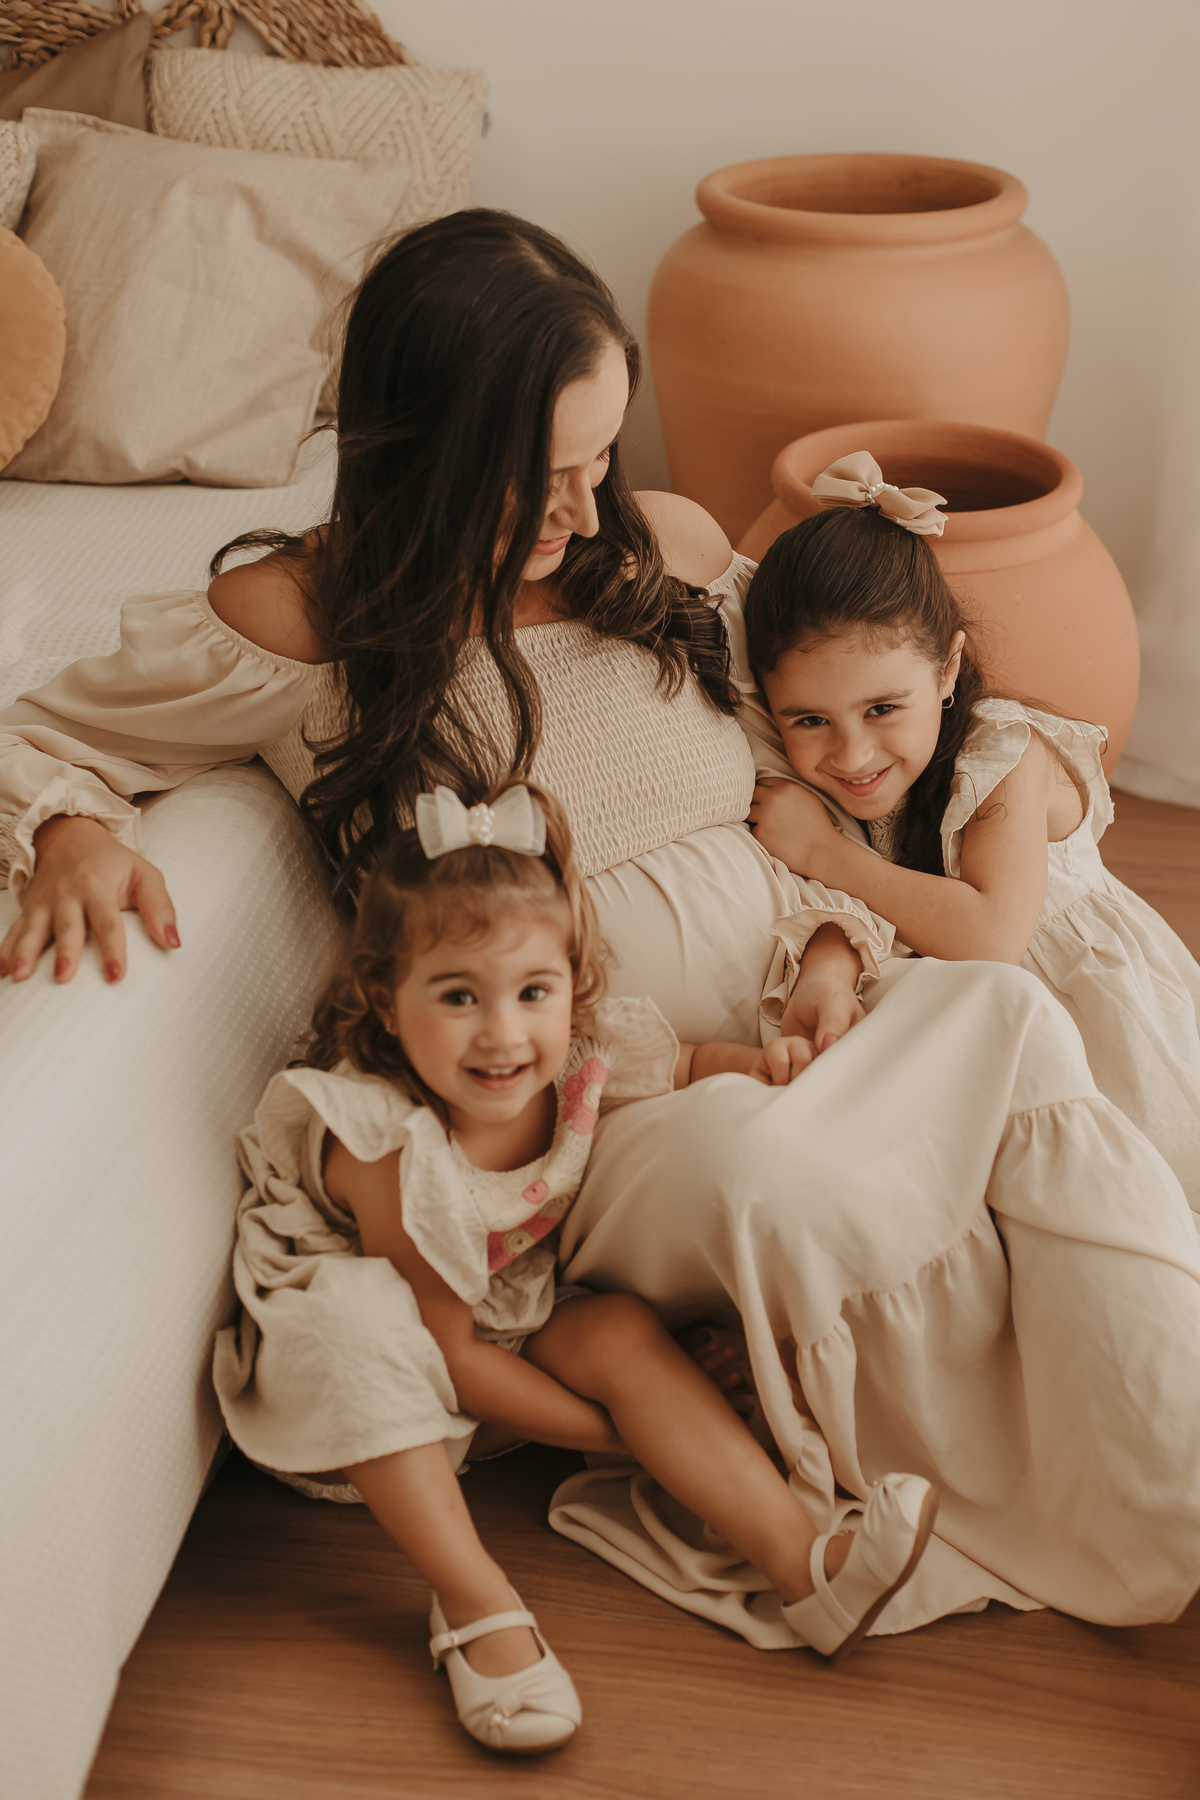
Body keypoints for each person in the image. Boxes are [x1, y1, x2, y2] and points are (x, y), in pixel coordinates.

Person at [1, 213, 1198, 1637]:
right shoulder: (303, 618)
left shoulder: (665, 555)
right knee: (777, 1175)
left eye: (599, 458)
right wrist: (70, 829)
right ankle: (994, 1511)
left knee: (1010, 1014)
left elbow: (794, 781)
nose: (580, 510)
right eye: (538, 477)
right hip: (611, 1109)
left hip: (809, 1018)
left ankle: (1169, 1462)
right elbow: (41, 727)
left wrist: (830, 953)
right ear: (428, 452)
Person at [215, 776, 937, 1751]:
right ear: (386, 1002)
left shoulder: (578, 1057)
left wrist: (762, 1068)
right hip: (376, 1394)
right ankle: (476, 1604)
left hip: (502, 1324)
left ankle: (805, 1567)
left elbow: (685, 1062)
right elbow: (447, 1357)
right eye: (458, 997)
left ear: (571, 984)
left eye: (532, 993)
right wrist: (626, 1437)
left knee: (617, 1330)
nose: (503, 1033)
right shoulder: (385, 1141)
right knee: (361, 1323)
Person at [743, 451, 1200, 1210]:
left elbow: (991, 936)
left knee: (1153, 1200)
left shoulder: (1006, 755)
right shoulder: (839, 782)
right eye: (811, 720)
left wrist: (823, 850)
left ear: (949, 668)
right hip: (991, 1039)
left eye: (883, 708)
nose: (852, 755)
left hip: (1098, 1021)